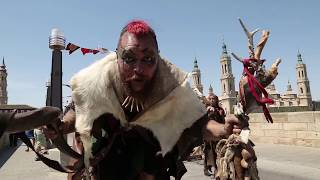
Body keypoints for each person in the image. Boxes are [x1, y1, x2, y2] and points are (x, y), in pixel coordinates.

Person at [43, 20, 242, 180]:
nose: (138, 69)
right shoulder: (102, 78)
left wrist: (223, 129)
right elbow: (78, 110)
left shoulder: (169, 82)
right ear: (118, 58)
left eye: (148, 59)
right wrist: (61, 126)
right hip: (110, 159)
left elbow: (197, 122)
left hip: (153, 160)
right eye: (129, 58)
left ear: (157, 59)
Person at [202, 93, 226, 176]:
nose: (212, 100)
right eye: (210, 99)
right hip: (208, 134)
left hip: (218, 133)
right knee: (208, 151)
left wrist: (217, 112)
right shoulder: (206, 109)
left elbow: (223, 120)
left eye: (214, 99)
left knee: (217, 151)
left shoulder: (220, 109)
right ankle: (206, 168)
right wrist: (208, 112)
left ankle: (217, 169)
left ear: (217, 100)